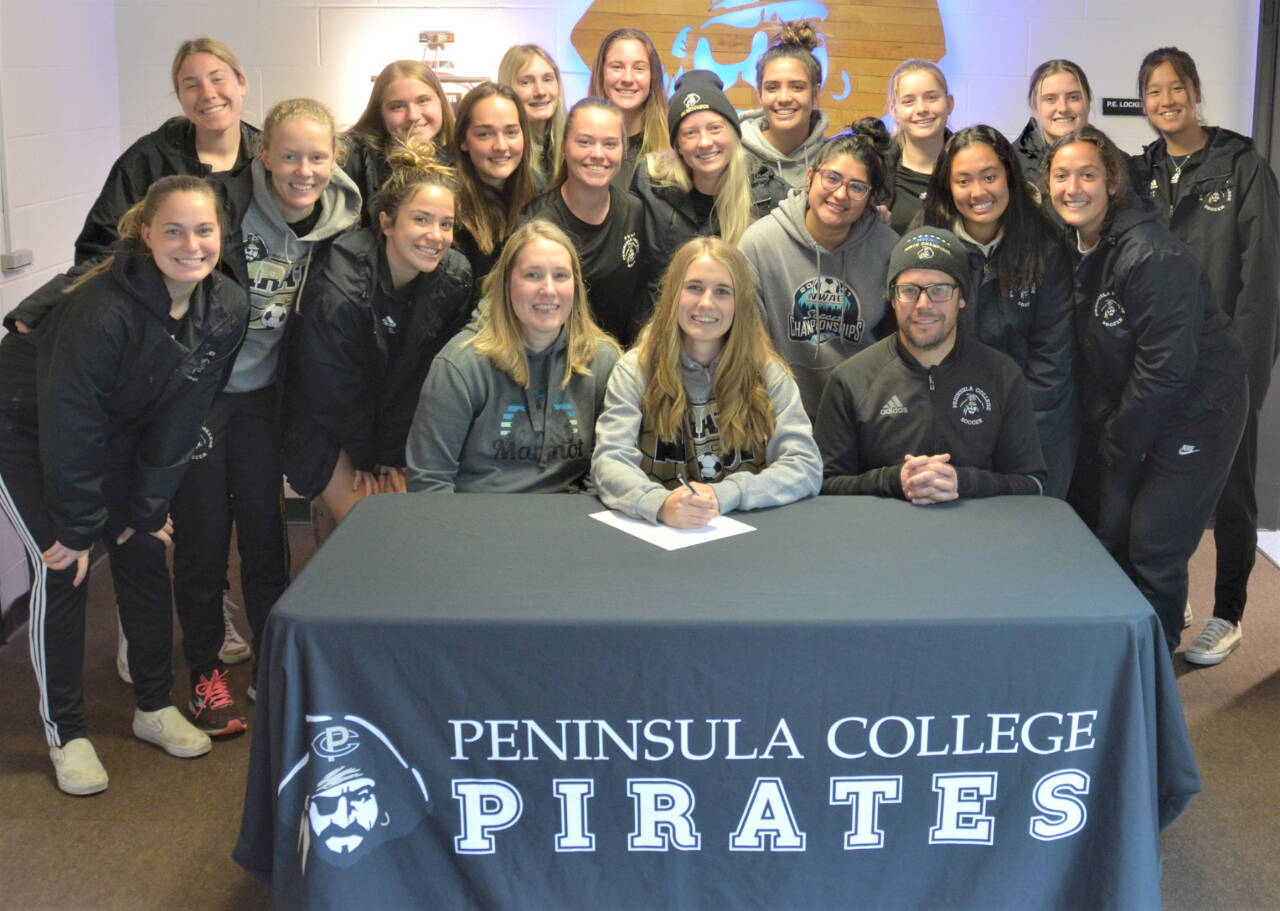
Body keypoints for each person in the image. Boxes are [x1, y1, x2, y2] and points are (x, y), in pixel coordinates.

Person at [0, 176, 247, 794]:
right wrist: (78, 525)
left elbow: (184, 414)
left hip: (110, 431)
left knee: (142, 547)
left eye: (204, 230)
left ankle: (154, 707)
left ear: (222, 234)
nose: (191, 245)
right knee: (64, 566)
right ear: (145, 233)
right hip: (24, 427)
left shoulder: (227, 305)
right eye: (173, 231)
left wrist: (146, 506)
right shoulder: (101, 306)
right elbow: (70, 420)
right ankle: (67, 733)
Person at [171, 97, 361, 735]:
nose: (303, 170)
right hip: (204, 394)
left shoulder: (345, 223)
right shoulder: (225, 206)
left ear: (334, 160)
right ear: (264, 155)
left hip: (263, 399)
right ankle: (205, 674)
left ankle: (273, 665)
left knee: (264, 535)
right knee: (203, 538)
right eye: (289, 156)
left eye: (317, 157)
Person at [1047, 125, 1247, 654]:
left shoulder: (1151, 256)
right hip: (1140, 407)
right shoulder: (1076, 243)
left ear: (1112, 183)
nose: (1072, 188)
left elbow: (1166, 371)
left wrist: (1118, 440)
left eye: (1087, 175)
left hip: (1199, 409)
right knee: (1111, 532)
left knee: (1155, 542)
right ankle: (1121, 656)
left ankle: (1152, 679)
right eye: (1061, 175)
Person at [1130, 47, 1280, 665]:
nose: (1166, 101)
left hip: (1223, 367)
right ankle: (1175, 593)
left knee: (1231, 492)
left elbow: (1262, 278)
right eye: (1154, 91)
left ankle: (1230, 612)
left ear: (1195, 91)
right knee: (1160, 485)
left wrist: (1245, 373)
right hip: (1158, 362)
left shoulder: (1241, 165)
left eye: (1176, 88)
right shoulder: (1139, 172)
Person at [285, 145, 474, 524]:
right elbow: (333, 393)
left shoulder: (454, 277)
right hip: (329, 425)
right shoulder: (340, 291)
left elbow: (428, 379)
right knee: (369, 522)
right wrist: (367, 458)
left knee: (407, 522)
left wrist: (394, 453)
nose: (435, 236)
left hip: (396, 423)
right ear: (387, 224)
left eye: (446, 224)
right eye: (421, 220)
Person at [591, 237, 821, 526]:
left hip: (741, 528)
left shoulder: (768, 374)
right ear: (673, 294)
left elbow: (805, 465)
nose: (706, 303)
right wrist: (659, 503)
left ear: (740, 303)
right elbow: (609, 462)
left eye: (722, 291)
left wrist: (724, 494)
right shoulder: (635, 370)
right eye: (694, 287)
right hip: (659, 530)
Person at [815, 227, 1047, 501]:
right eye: (909, 290)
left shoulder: (1003, 376)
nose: (923, 304)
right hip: (882, 527)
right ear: (892, 298)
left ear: (962, 298)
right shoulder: (850, 380)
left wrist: (962, 482)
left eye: (939, 290)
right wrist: (893, 481)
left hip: (978, 527)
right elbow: (823, 485)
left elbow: (1032, 483)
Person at [405, 220, 620, 492]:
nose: (549, 289)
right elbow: (428, 483)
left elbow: (607, 473)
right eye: (532, 275)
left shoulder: (603, 361)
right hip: (479, 514)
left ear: (576, 285)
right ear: (506, 283)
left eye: (561, 276)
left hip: (570, 512)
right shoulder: (460, 366)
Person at [921, 125, 1077, 497]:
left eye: (989, 177)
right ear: (947, 186)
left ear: (1009, 175)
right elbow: (915, 346)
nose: (978, 192)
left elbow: (1052, 358)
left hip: (1035, 428)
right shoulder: (926, 245)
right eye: (963, 181)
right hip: (950, 425)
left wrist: (1011, 430)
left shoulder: (1045, 244)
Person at [738, 129, 898, 418]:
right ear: (810, 177)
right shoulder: (759, 244)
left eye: (857, 187)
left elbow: (894, 346)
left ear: (869, 197)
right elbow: (747, 346)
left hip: (861, 410)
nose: (841, 194)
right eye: (832, 178)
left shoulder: (887, 248)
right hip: (780, 409)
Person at [73, 38, 260, 265]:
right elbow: (98, 250)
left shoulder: (268, 159)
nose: (207, 93)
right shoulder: (146, 160)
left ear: (242, 83)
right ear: (180, 96)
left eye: (217, 79)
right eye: (191, 85)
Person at [520, 98, 648, 345]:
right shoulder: (536, 225)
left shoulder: (633, 211)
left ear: (623, 150)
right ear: (564, 148)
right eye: (585, 142)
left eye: (610, 144)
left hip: (619, 357)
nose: (598, 154)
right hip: (558, 356)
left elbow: (638, 299)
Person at [633, 71, 756, 296]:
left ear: (733, 134)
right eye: (690, 133)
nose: (705, 142)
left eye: (715, 128)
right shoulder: (650, 185)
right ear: (678, 146)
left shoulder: (763, 193)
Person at [342, 60, 454, 228]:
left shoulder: (465, 158)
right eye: (397, 107)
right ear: (380, 113)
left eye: (423, 101)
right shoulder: (353, 162)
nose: (413, 116)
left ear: (441, 102)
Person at [449, 82, 539, 288]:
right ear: (463, 140)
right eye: (484, 134)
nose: (500, 146)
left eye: (511, 132)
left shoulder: (538, 191)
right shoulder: (447, 204)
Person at [739, 19, 832, 214]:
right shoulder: (734, 156)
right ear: (759, 94)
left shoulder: (833, 159)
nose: (783, 98)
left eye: (797, 87)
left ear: (815, 93)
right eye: (772, 87)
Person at [589, 28, 670, 192]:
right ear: (601, 74)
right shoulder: (578, 146)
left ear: (652, 77)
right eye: (617, 67)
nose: (627, 78)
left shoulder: (674, 143)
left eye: (639, 68)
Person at [883, 59, 954, 235]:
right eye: (908, 101)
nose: (921, 109)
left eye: (932, 97)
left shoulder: (970, 168)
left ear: (950, 103)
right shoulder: (875, 169)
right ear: (894, 111)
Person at [1014, 59, 1092, 196]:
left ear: (1088, 103)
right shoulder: (1010, 165)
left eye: (1073, 97)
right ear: (1034, 109)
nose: (1063, 108)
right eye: (1050, 99)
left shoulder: (1117, 163)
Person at [499, 45, 566, 183]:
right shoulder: (502, 152)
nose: (540, 91)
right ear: (507, 89)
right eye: (526, 82)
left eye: (547, 79)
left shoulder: (573, 140)